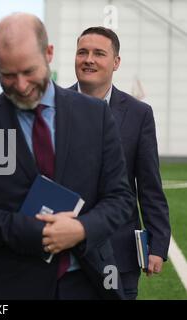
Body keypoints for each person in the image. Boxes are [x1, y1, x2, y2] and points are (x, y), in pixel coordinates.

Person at [0, 13, 135, 299]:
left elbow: (121, 198)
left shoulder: (95, 115)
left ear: (49, 53)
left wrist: (81, 229)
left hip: (88, 282)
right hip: (13, 285)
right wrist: (37, 232)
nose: (21, 85)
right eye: (8, 76)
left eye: (29, 71)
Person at [70, 26, 171, 299]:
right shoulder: (51, 107)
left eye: (99, 53)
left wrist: (158, 244)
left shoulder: (139, 114)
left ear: (116, 62)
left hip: (119, 251)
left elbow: (149, 184)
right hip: (64, 252)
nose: (89, 59)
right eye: (82, 52)